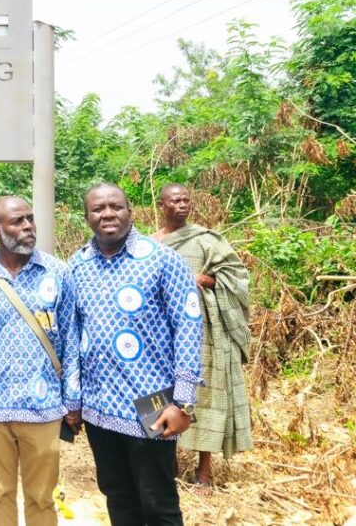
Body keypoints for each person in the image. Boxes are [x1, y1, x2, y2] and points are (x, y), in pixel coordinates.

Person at [64, 183, 202, 526]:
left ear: (131, 211)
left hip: (152, 403)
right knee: (117, 496)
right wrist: (73, 399)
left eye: (115, 206)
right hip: (98, 407)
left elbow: (188, 327)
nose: (107, 214)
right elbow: (72, 334)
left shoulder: (162, 259)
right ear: (87, 217)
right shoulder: (78, 264)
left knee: (158, 503)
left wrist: (183, 403)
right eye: (98, 209)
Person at [0, 196, 73, 526]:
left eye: (30, 219)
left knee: (42, 497)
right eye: (17, 221)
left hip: (44, 407)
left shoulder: (57, 273)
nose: (27, 227)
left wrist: (72, 400)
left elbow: (70, 340)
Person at [152, 183, 252, 487]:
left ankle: (204, 471)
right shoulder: (150, 244)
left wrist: (204, 279)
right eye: (175, 201)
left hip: (204, 333)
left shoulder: (207, 240)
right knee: (160, 392)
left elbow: (237, 278)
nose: (182, 205)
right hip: (162, 332)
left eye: (186, 200)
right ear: (162, 205)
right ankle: (165, 464)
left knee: (205, 394)